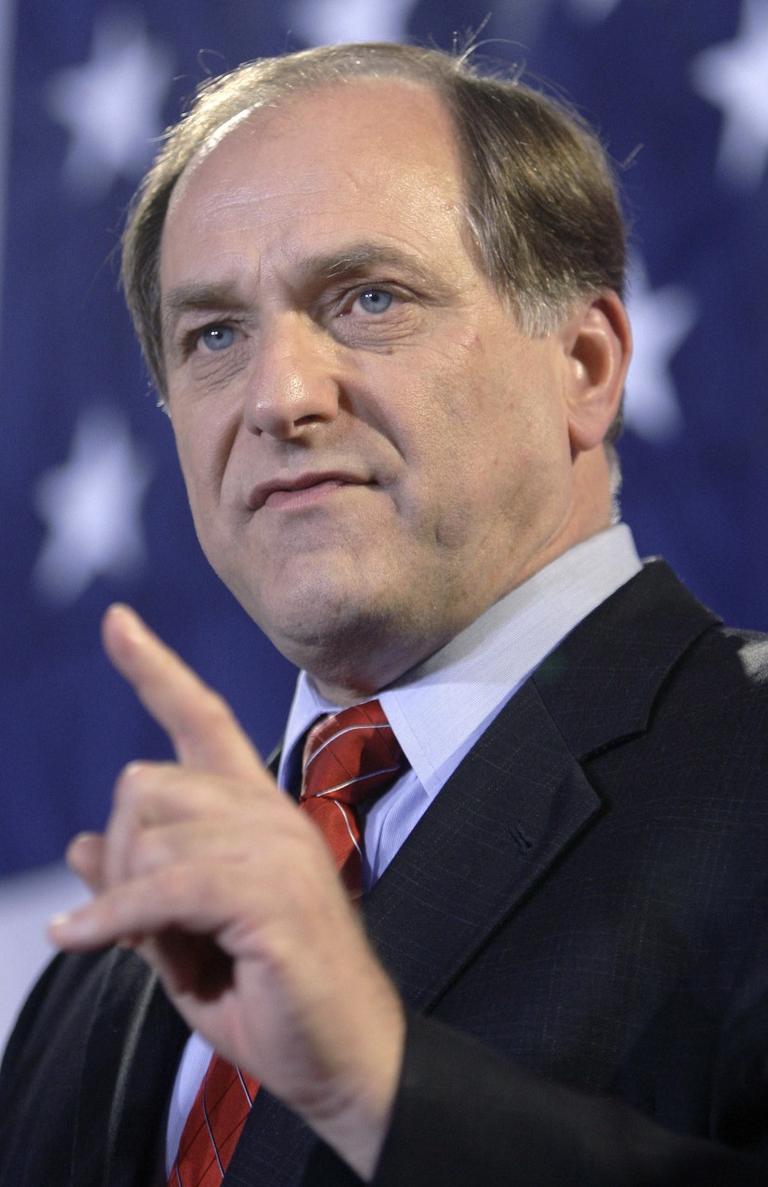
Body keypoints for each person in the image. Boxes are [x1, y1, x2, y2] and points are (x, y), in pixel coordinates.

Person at [1, 41, 767, 1186]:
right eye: (214, 333)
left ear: (588, 363)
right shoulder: (104, 978)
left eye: (368, 298)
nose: (279, 397)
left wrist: (379, 1085)